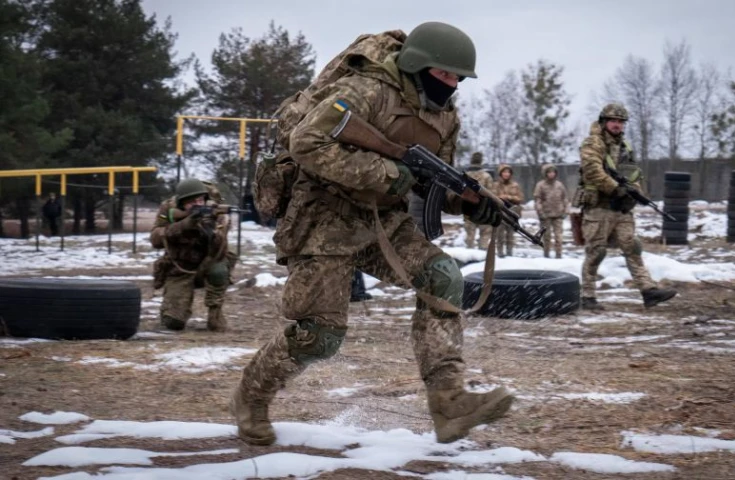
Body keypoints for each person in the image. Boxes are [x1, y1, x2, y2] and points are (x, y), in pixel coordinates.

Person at [231, 22, 513, 447]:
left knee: (443, 277)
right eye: (445, 75)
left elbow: (431, 183)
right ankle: (251, 398)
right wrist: (387, 173)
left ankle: (449, 403)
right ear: (419, 65)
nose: (453, 85)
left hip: (384, 222)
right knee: (321, 336)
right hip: (322, 218)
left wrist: (473, 202)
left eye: (459, 78)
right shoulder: (367, 91)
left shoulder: (444, 116)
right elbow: (306, 142)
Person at [577, 104, 676, 310]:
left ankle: (648, 291)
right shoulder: (593, 143)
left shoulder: (625, 147)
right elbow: (592, 170)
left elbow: (632, 173)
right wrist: (616, 189)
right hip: (598, 208)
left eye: (621, 122)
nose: (617, 125)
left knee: (632, 248)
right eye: (613, 121)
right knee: (596, 252)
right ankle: (587, 295)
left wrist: (635, 193)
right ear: (604, 121)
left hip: (621, 209)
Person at [149, 178, 237, 332]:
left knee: (219, 270)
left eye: (200, 200)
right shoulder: (168, 209)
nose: (198, 204)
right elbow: (155, 239)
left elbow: (220, 251)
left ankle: (215, 312)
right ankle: (175, 310)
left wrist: (210, 230)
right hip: (179, 268)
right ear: (182, 203)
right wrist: (184, 225)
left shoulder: (216, 212)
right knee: (172, 323)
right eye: (192, 202)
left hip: (207, 265)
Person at [533, 164, 569, 258]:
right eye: (549, 172)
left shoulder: (559, 185)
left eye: (553, 172)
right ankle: (546, 255)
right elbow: (538, 200)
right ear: (545, 173)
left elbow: (565, 198)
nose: (551, 174)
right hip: (546, 215)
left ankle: (559, 255)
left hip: (558, 215)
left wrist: (566, 210)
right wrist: (540, 212)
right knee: (546, 237)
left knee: (559, 237)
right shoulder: (540, 185)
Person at [463, 152, 494, 250]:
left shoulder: (464, 176)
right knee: (484, 236)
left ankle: (469, 259)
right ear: (481, 161)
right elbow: (492, 195)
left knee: (469, 237)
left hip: (467, 209)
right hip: (483, 210)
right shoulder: (487, 176)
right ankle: (482, 259)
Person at [493, 165, 524, 257]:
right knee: (500, 235)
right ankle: (500, 254)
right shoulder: (496, 185)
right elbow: (492, 197)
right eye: (504, 172)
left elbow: (520, 198)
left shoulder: (515, 185)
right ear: (500, 173)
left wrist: (509, 197)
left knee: (510, 235)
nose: (506, 174)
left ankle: (510, 253)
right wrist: (500, 198)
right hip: (500, 212)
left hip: (512, 212)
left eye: (508, 172)